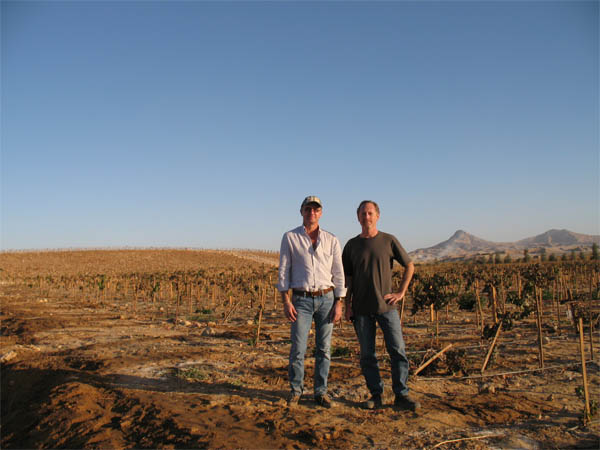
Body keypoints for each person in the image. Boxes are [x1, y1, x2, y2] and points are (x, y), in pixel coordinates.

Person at [342, 200, 420, 411]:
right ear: (357, 217)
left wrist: (401, 292)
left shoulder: (388, 240)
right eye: (362, 213)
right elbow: (347, 279)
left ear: (377, 216)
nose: (366, 217)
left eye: (370, 213)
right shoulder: (351, 245)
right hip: (361, 310)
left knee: (398, 351)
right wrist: (347, 305)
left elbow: (409, 265)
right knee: (367, 355)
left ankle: (401, 394)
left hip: (387, 308)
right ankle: (376, 395)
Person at [277, 196, 346, 408]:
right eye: (308, 209)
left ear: (321, 213)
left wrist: (339, 301)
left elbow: (338, 272)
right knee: (298, 348)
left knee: (324, 349)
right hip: (301, 300)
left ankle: (320, 392)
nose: (312, 213)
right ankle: (296, 390)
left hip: (326, 298)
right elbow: (284, 270)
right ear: (302, 212)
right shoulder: (290, 237)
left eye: (316, 210)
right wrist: (286, 301)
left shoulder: (331, 239)